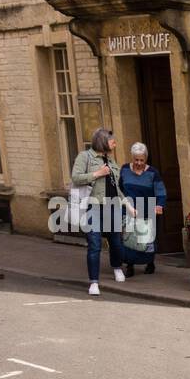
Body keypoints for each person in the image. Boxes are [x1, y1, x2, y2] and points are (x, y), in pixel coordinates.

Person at [71, 127, 126, 296]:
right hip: (93, 207)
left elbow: (116, 186)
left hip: (113, 207)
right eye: (112, 140)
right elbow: (76, 177)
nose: (115, 143)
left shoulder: (110, 160)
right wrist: (97, 173)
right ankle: (94, 282)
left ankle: (116, 267)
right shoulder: (85, 157)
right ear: (103, 141)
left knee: (116, 242)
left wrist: (128, 205)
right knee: (94, 245)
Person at [119, 142, 167, 277]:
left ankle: (150, 262)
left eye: (142, 160)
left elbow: (161, 191)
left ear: (145, 159)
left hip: (147, 208)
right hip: (129, 209)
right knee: (129, 238)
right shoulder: (124, 170)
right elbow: (119, 189)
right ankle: (129, 265)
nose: (139, 163)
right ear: (132, 158)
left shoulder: (152, 173)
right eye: (136, 159)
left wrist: (159, 205)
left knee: (146, 239)